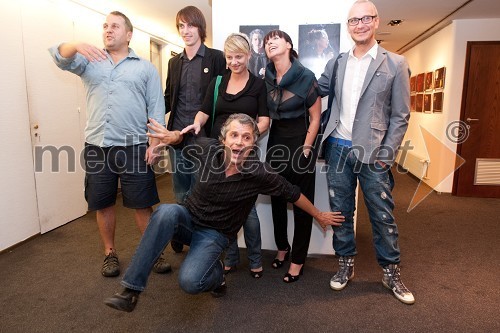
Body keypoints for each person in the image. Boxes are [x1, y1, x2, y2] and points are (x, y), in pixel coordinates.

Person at [104, 114, 345, 312]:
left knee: (190, 282)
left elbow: (293, 193)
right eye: (234, 135)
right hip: (188, 220)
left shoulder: (259, 173)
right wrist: (174, 136)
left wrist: (319, 215)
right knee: (166, 211)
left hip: (215, 235)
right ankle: (131, 291)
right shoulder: (209, 150)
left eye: (246, 137)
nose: (239, 142)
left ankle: (217, 275)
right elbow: (183, 141)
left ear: (253, 144)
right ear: (223, 139)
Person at [48, 11, 171, 277]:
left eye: (115, 26)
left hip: (135, 146)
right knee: (102, 203)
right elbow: (59, 57)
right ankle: (110, 254)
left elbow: (156, 111)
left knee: (142, 203)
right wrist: (76, 45)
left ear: (128, 34)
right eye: (105, 26)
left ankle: (154, 252)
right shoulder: (89, 62)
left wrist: (155, 145)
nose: (108, 30)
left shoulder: (145, 68)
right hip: (98, 146)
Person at [317, 0, 415, 304]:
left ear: (376, 21)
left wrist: (388, 153)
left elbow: (401, 115)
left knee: (382, 214)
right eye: (353, 20)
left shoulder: (395, 63)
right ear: (348, 27)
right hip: (337, 148)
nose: (359, 24)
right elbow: (314, 89)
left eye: (365, 18)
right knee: (340, 212)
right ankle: (345, 265)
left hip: (374, 154)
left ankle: (391, 272)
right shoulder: (337, 62)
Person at [181, 33, 270, 278]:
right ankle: (230, 257)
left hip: (245, 153)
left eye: (239, 56)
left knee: (247, 210)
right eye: (230, 57)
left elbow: (265, 120)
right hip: (218, 153)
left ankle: (254, 259)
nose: (234, 61)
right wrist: (197, 124)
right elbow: (203, 112)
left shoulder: (258, 85)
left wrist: (246, 136)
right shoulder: (218, 81)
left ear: (249, 55)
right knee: (221, 207)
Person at [164, 6, 226, 253]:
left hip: (204, 139)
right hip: (178, 138)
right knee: (180, 192)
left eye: (190, 25)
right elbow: (169, 98)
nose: (185, 31)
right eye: (181, 26)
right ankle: (181, 231)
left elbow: (222, 97)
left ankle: (200, 242)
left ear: (200, 28)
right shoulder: (173, 62)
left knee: (201, 192)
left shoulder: (216, 58)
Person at [263, 30, 322, 283]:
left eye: (275, 38)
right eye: (267, 41)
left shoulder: (306, 76)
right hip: (275, 142)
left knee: (301, 206)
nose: (270, 42)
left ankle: (297, 260)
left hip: (300, 143)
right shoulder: (265, 75)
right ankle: (282, 248)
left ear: (288, 44)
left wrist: (307, 148)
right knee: (276, 200)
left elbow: (316, 117)